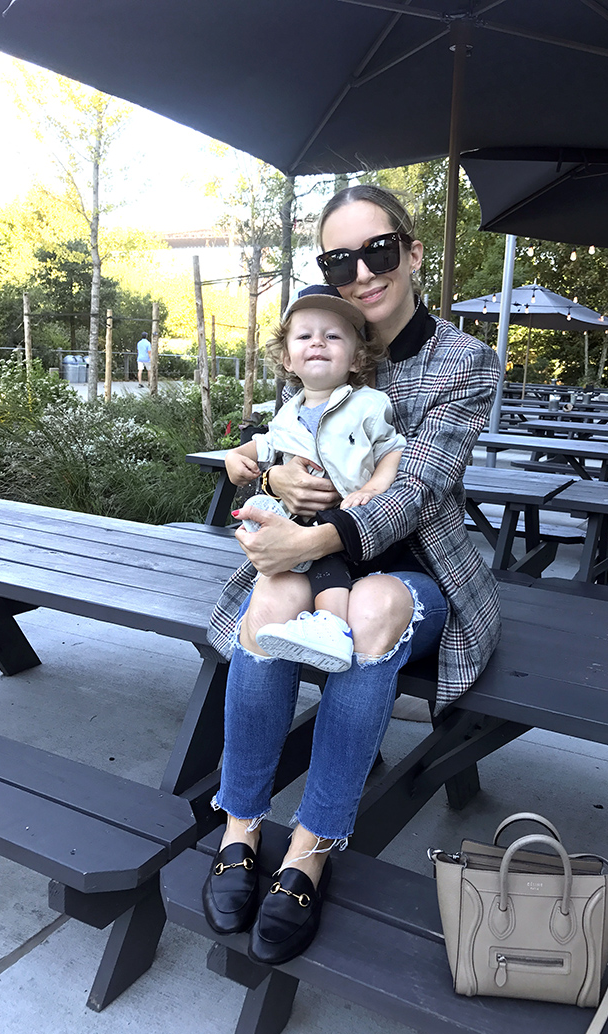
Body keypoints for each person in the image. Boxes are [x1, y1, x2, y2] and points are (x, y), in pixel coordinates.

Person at [204, 185, 501, 966]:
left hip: (419, 574)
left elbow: (419, 488)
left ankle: (308, 848)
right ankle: (239, 827)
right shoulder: (320, 339)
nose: (362, 273)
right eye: (340, 260)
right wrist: (276, 484)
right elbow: (280, 447)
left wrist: (311, 541)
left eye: (378, 251)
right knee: (268, 603)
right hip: (311, 562)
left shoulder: (464, 362)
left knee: (369, 606)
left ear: (412, 251)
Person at [224, 284, 406, 673]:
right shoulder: (287, 415)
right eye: (304, 336)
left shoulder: (367, 404)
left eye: (333, 336)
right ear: (288, 359)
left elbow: (392, 449)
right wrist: (236, 456)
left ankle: (333, 627)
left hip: (349, 520)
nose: (318, 343)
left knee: (322, 547)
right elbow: (264, 445)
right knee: (275, 521)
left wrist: (375, 486)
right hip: (300, 520)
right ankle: (272, 535)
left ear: (356, 359)